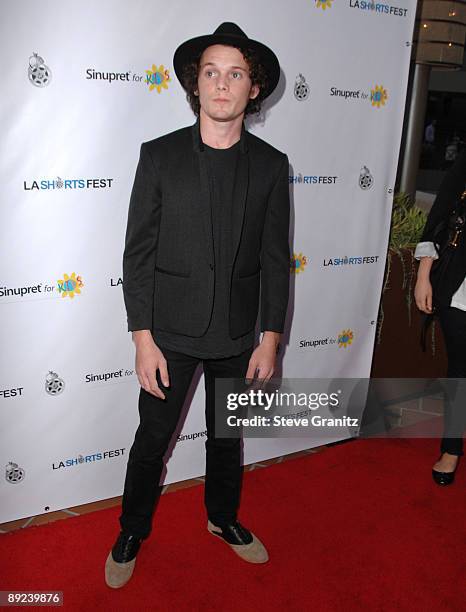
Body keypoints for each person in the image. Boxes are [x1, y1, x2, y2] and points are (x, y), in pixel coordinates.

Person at [104, 22, 290, 589]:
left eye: (235, 74)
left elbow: (276, 258)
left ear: (252, 88)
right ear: (195, 83)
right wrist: (142, 336)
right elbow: (138, 254)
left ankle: (223, 519)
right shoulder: (157, 157)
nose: (221, 83)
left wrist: (271, 337)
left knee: (226, 438)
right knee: (151, 442)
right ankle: (132, 528)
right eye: (211, 72)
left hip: (238, 334)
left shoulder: (271, 164)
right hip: (170, 335)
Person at [414, 148, 466, 486]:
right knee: (460, 369)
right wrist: (423, 275)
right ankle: (451, 448)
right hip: (460, 282)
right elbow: (441, 215)